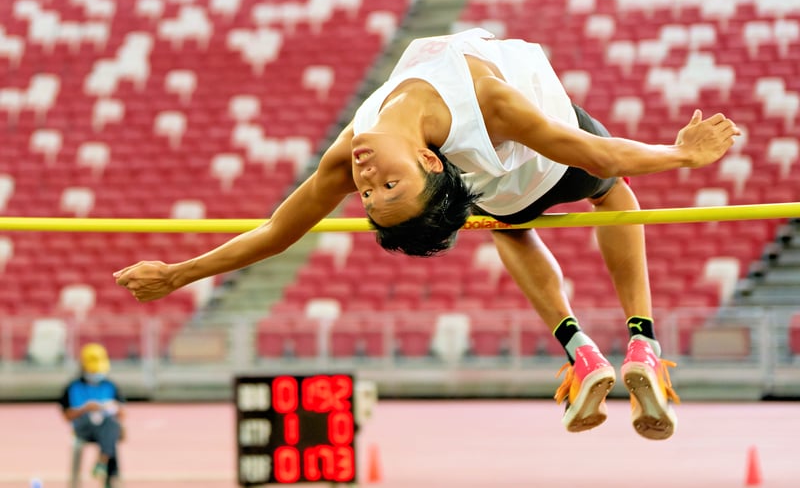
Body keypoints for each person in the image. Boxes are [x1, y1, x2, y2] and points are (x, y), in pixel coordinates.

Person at [114, 28, 740, 440]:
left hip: (504, 193)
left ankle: (581, 353)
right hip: (556, 168)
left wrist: (179, 273)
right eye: (389, 186)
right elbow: (591, 153)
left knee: (509, 231)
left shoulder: (354, 144)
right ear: (430, 161)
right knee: (614, 198)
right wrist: (680, 155)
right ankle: (642, 345)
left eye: (370, 194)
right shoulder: (488, 103)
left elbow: (280, 232)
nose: (367, 180)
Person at [59, 343, 125, 487]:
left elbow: (122, 413)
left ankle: (104, 466)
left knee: (110, 425)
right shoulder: (73, 387)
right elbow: (66, 416)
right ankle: (107, 469)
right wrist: (85, 409)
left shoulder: (110, 386)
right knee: (110, 431)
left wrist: (111, 407)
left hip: (105, 428)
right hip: (83, 428)